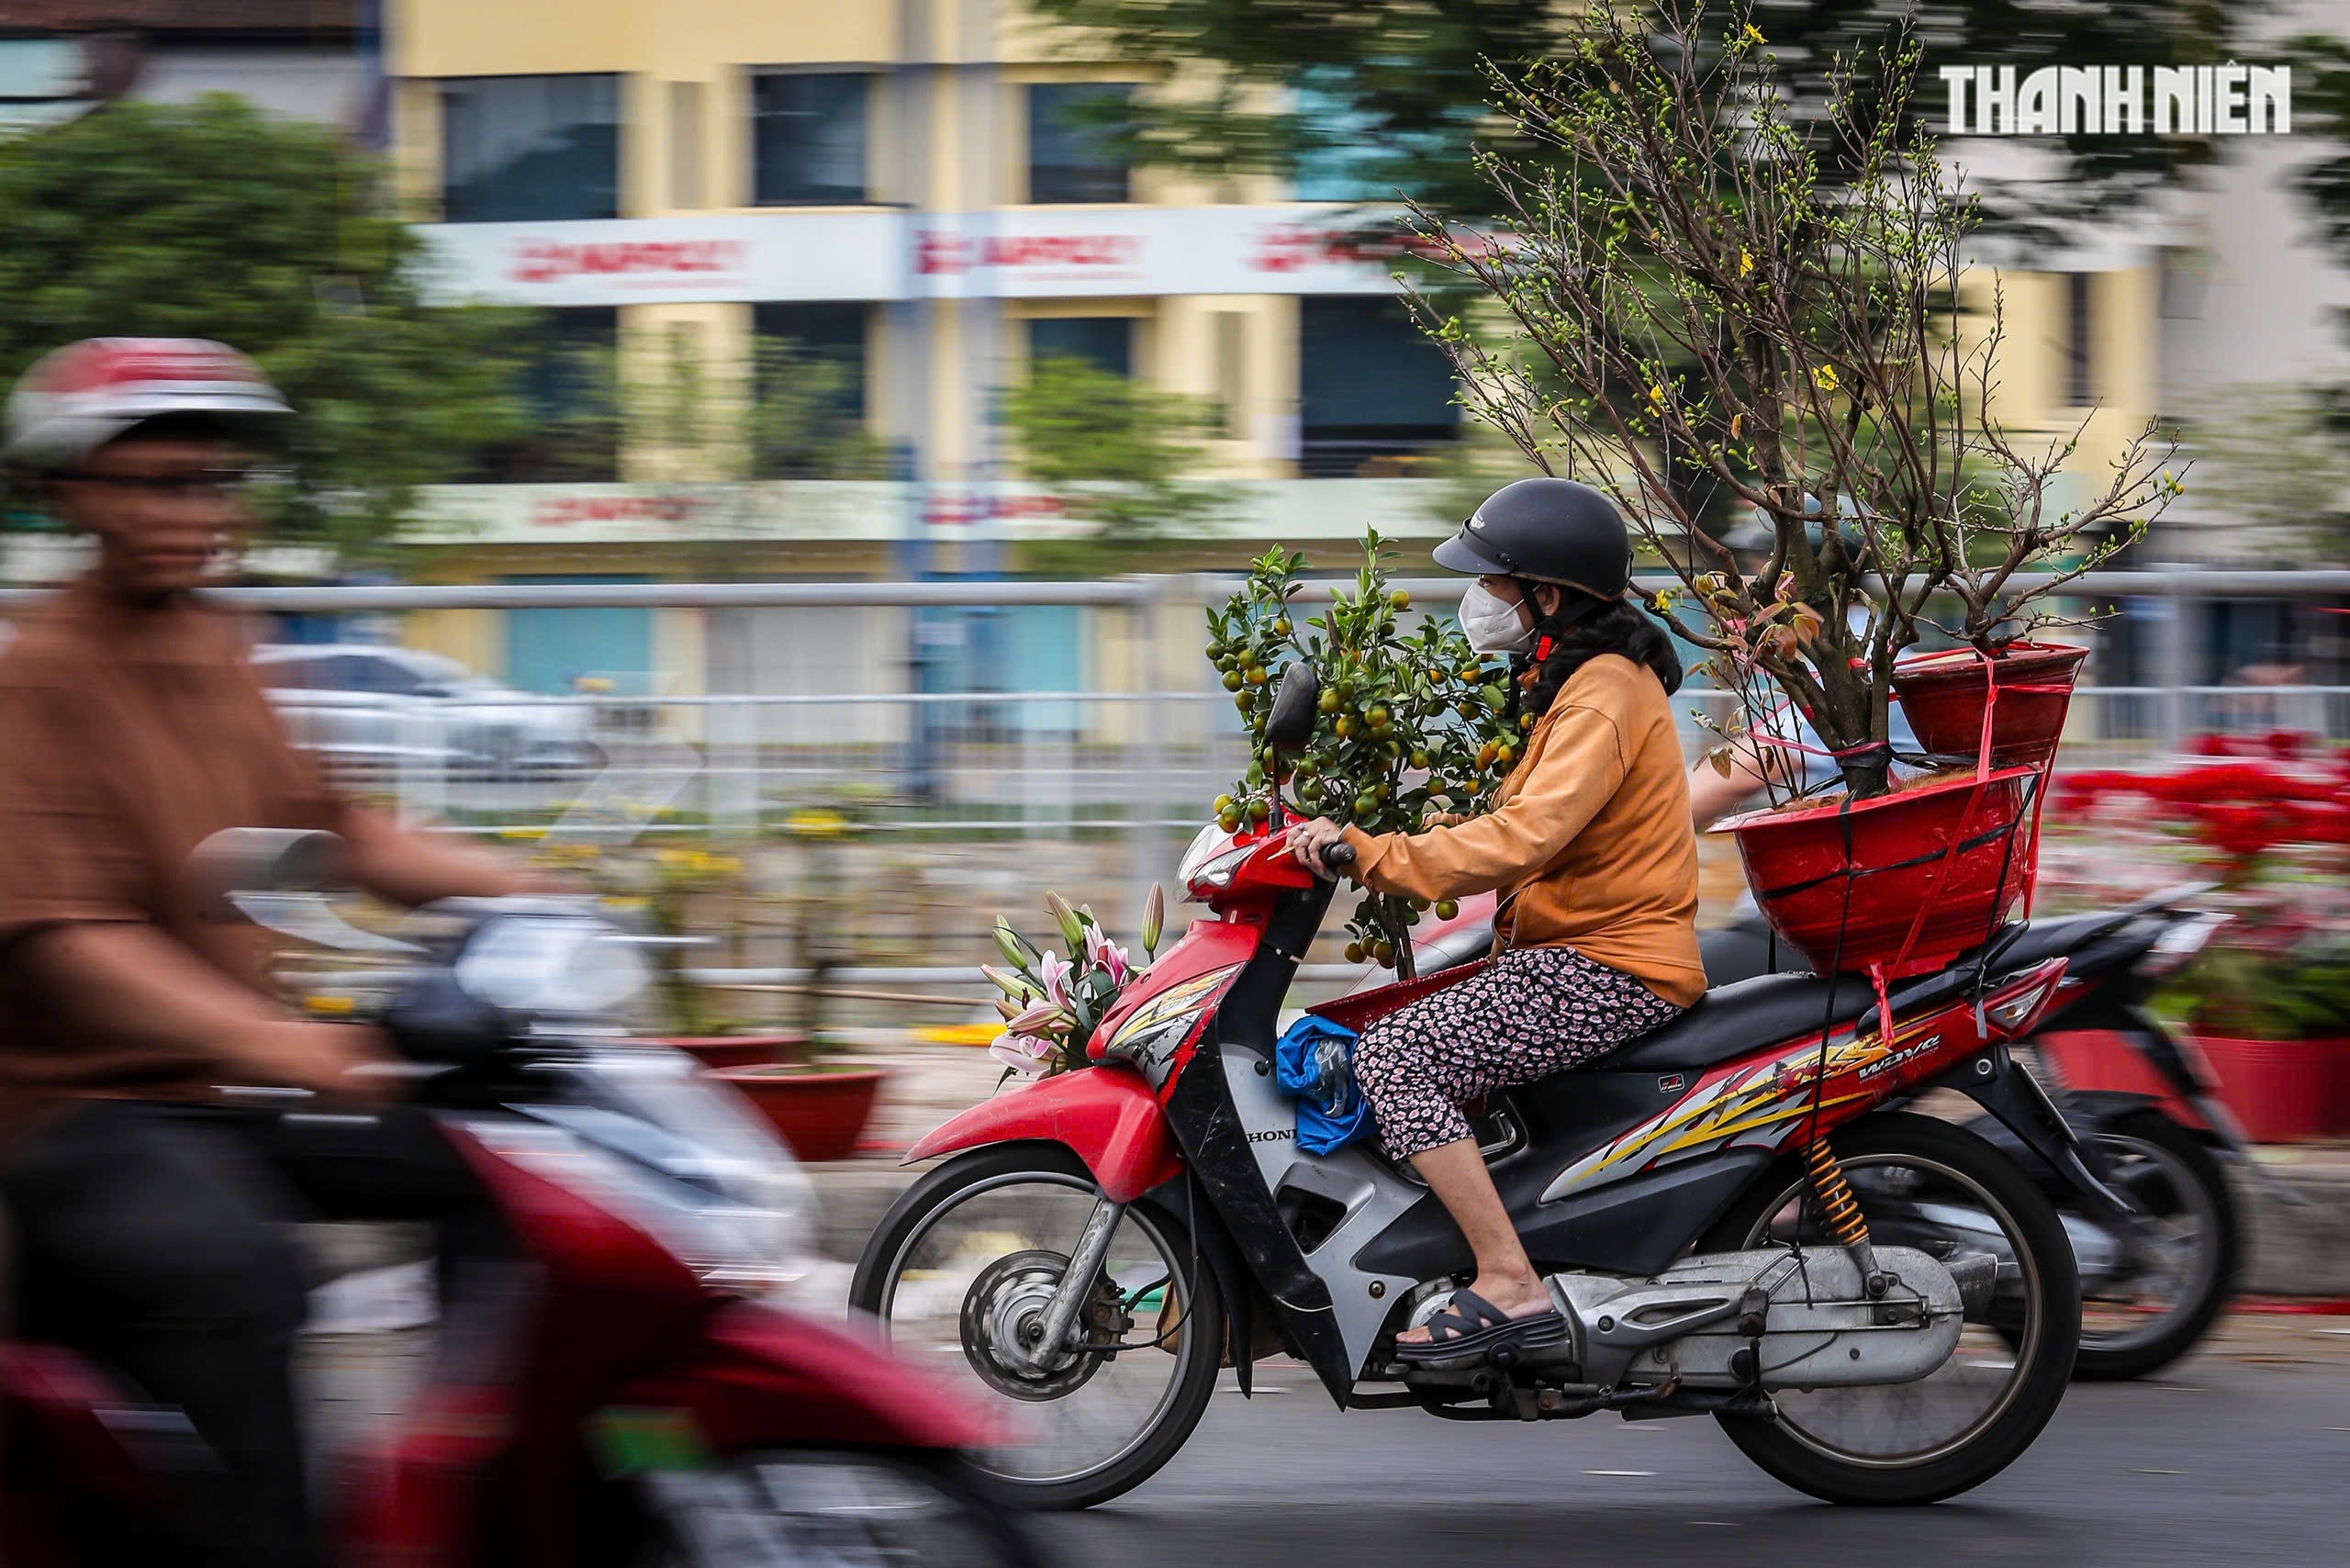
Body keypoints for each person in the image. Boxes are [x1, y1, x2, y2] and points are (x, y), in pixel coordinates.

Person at [0, 339, 543, 1567]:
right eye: (157, 483)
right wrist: (282, 1040)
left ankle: (456, 1481)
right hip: (73, 1113)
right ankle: (272, 1538)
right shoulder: (37, 677)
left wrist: (537, 892)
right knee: (245, 1275)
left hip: (223, 1091)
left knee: (506, 1176)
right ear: (69, 493)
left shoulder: (227, 646)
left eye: (215, 482)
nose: (199, 512)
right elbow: (60, 939)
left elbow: (334, 832)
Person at [1289, 477, 1704, 1363]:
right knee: (1389, 1008)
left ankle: (1509, 1283)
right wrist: (1420, 833)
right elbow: (1540, 830)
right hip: (1581, 947)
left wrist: (1374, 853)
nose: (1480, 601)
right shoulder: (1589, 683)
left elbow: (1526, 838)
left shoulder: (1602, 694)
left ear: (1548, 596)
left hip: (1609, 964)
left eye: (1494, 583)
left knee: (1394, 1055)